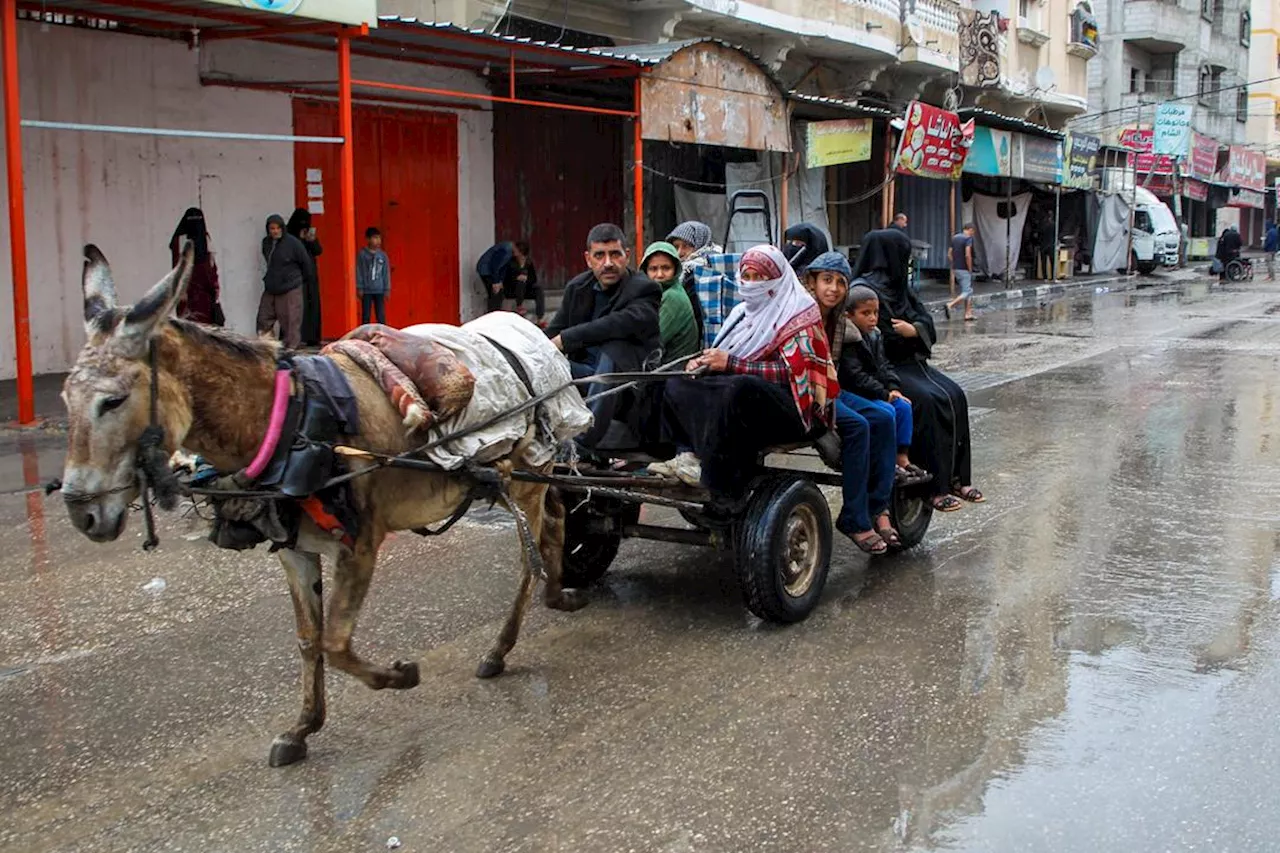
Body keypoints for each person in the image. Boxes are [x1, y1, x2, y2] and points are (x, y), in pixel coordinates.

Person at [657, 245, 840, 506]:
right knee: (676, 381)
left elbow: (797, 375)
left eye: (760, 278)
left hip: (796, 410)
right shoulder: (742, 313)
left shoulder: (799, 311)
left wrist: (732, 364)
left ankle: (718, 481)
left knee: (739, 388)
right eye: (748, 277)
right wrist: (703, 362)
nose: (752, 285)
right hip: (748, 397)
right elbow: (724, 353)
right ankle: (686, 455)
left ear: (777, 279)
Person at [852, 228, 983, 513]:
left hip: (913, 363)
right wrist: (908, 332)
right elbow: (880, 333)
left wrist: (915, 329)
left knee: (955, 394)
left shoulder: (900, 287)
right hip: (885, 367)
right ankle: (933, 488)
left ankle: (958, 479)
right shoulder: (864, 290)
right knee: (925, 400)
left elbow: (925, 322)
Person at [803, 251, 898, 553]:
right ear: (813, 282)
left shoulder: (841, 320)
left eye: (840, 282)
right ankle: (854, 518)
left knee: (885, 417)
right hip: (807, 390)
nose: (833, 288)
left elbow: (835, 364)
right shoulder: (803, 313)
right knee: (858, 427)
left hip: (831, 388)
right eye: (826, 281)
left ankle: (879, 507)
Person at [546, 223, 661, 447]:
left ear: (627, 256)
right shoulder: (578, 288)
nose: (607, 263)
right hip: (585, 378)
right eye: (600, 255)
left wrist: (565, 340)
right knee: (545, 361)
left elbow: (618, 323)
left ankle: (583, 440)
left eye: (615, 254)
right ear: (588, 259)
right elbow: (553, 331)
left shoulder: (645, 289)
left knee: (616, 348)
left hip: (627, 388)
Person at [843, 283, 925, 479]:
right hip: (856, 392)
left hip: (875, 390)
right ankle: (885, 461)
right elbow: (855, 376)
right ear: (849, 315)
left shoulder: (875, 335)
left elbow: (885, 365)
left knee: (904, 406)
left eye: (875, 313)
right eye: (866, 313)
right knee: (887, 412)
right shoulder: (849, 339)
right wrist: (883, 394)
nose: (872, 318)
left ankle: (902, 457)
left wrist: (893, 387)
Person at [257, 213, 315, 349]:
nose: (275, 231)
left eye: (278, 228)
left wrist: (300, 281)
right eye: (272, 228)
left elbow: (306, 263)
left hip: (290, 286)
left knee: (290, 321)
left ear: (282, 228)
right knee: (263, 318)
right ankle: (267, 348)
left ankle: (291, 350)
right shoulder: (266, 243)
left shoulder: (293, 243)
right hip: (272, 286)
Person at [640, 241, 700, 362]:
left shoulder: (673, 297)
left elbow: (650, 341)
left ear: (676, 270)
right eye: (653, 269)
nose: (659, 274)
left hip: (672, 372)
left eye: (666, 268)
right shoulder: (654, 294)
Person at [168, 207, 222, 326]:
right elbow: (177, 266)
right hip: (187, 292)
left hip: (205, 291)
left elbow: (212, 264)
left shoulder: (205, 237)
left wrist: (215, 288)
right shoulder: (180, 240)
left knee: (206, 328)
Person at [667, 220, 718, 342]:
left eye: (686, 246)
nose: (679, 253)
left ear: (700, 245)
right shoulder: (678, 270)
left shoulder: (697, 269)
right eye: (675, 246)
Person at [286, 208, 323, 346]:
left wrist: (311, 240)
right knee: (298, 308)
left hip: (311, 277)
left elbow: (318, 250)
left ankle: (312, 337)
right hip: (296, 277)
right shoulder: (290, 237)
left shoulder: (309, 236)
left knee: (312, 307)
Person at [503, 240, 544, 325]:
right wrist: (517, 278)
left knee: (538, 289)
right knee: (520, 282)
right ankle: (519, 306)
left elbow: (533, 279)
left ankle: (540, 317)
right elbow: (506, 278)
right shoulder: (510, 262)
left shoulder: (528, 262)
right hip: (512, 289)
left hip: (526, 289)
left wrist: (526, 278)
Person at [357, 226, 391, 325]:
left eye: (379, 238)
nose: (378, 241)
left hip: (379, 289)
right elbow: (359, 271)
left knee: (380, 315)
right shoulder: (362, 255)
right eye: (375, 238)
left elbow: (385, 272)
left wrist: (387, 288)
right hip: (367, 290)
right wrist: (360, 287)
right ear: (368, 239)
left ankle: (382, 335)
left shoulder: (383, 256)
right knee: (366, 315)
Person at [945, 223, 977, 322]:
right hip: (964, 269)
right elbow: (968, 255)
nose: (973, 234)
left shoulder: (955, 238)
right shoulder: (968, 239)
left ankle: (968, 313)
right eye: (973, 232)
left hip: (956, 268)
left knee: (967, 290)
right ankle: (950, 305)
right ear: (970, 230)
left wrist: (954, 263)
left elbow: (949, 254)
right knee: (967, 291)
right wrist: (970, 268)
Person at [476, 241, 515, 313]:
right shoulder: (504, 250)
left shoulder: (510, 253)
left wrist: (500, 280)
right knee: (494, 293)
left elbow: (503, 266)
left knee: (497, 293)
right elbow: (495, 266)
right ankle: (492, 314)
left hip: (491, 272)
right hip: (485, 271)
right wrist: (495, 282)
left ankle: (495, 313)